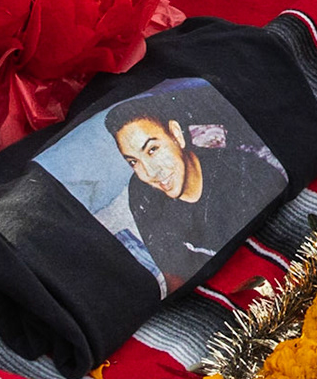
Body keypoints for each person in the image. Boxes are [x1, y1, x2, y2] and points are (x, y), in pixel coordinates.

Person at [104, 92, 288, 291]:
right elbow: (173, 276)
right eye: (133, 161)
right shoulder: (142, 192)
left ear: (176, 135)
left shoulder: (247, 175)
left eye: (153, 150)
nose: (150, 172)